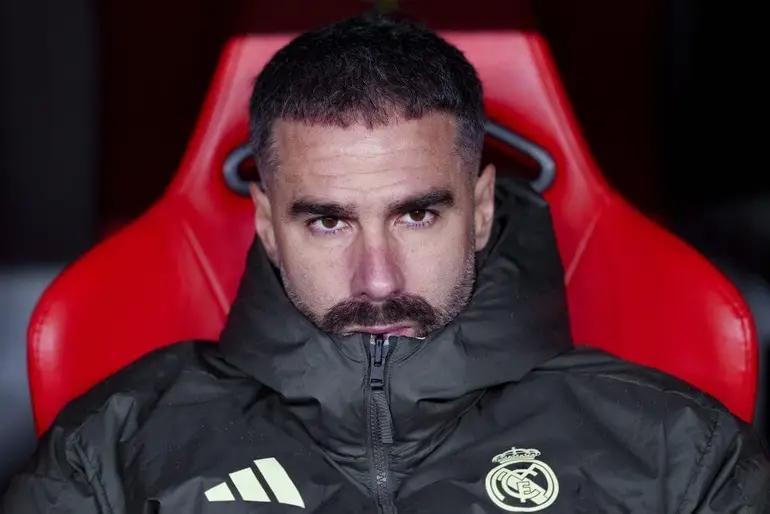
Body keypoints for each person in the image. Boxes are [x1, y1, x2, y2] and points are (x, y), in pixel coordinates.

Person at [3, 14, 769, 514]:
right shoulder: (112, 452)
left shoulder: (679, 456)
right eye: (328, 221)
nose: (378, 280)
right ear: (267, 224)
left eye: (417, 214)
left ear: (482, 208)